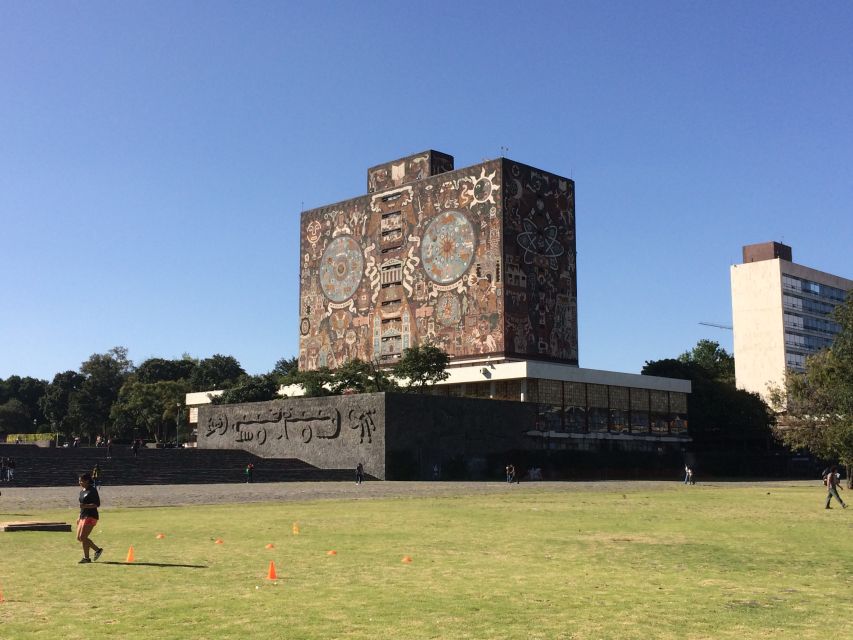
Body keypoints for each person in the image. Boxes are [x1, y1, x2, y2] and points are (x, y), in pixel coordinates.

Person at [76, 473, 103, 564]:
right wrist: (79, 516)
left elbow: (97, 504)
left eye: (81, 481)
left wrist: (86, 506)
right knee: (79, 538)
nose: (79, 482)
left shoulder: (93, 490)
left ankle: (97, 550)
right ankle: (87, 558)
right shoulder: (82, 491)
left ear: (87, 481)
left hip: (91, 516)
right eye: (79, 481)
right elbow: (81, 506)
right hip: (83, 516)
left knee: (82, 537)